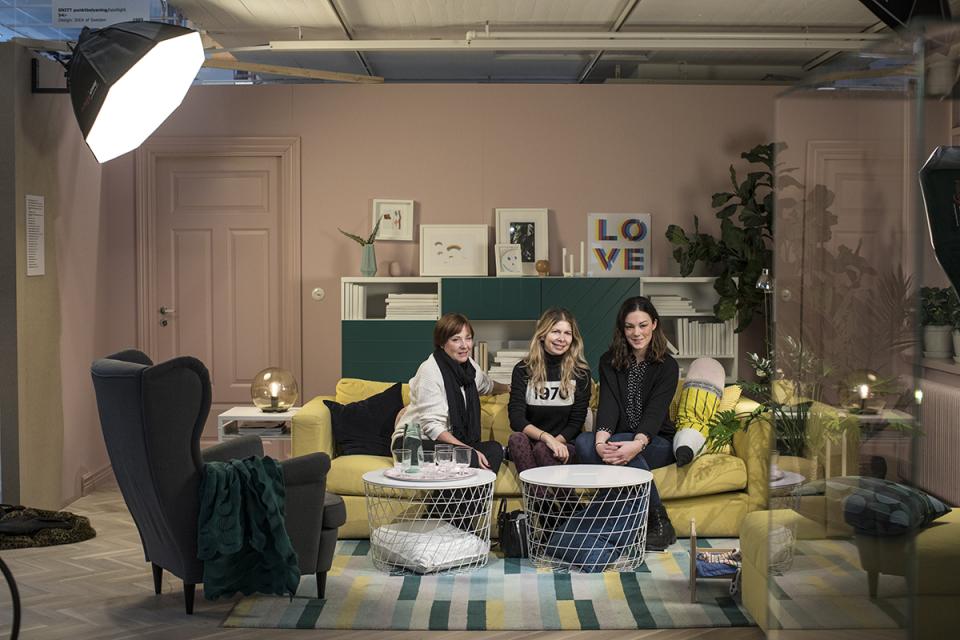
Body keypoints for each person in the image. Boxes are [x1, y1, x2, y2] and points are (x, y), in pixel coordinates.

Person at [574, 296, 679, 551]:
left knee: (621, 441)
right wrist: (600, 443)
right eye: (630, 326)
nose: (637, 333)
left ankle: (659, 521)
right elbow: (608, 407)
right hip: (618, 441)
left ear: (654, 324)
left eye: (643, 325)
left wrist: (637, 444)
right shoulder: (609, 361)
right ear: (622, 328)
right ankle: (621, 518)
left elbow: (654, 415)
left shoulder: (668, 365)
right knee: (584, 442)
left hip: (655, 441)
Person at [392, 313, 510, 472]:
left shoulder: (469, 368)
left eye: (468, 338)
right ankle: (462, 487)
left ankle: (478, 489)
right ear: (442, 343)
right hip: (414, 442)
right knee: (469, 457)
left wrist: (510, 388)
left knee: (494, 450)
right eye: (456, 339)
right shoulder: (430, 371)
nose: (464, 345)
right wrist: (469, 450)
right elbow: (432, 427)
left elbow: (486, 385)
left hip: (448, 443)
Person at [507, 307, 591, 474]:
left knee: (542, 449)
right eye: (555, 332)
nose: (562, 338)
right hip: (533, 441)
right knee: (516, 439)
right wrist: (546, 438)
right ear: (543, 335)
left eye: (567, 333)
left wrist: (554, 442)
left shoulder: (581, 373)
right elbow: (516, 418)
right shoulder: (523, 370)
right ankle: (541, 492)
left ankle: (537, 492)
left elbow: (576, 422)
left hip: (565, 444)